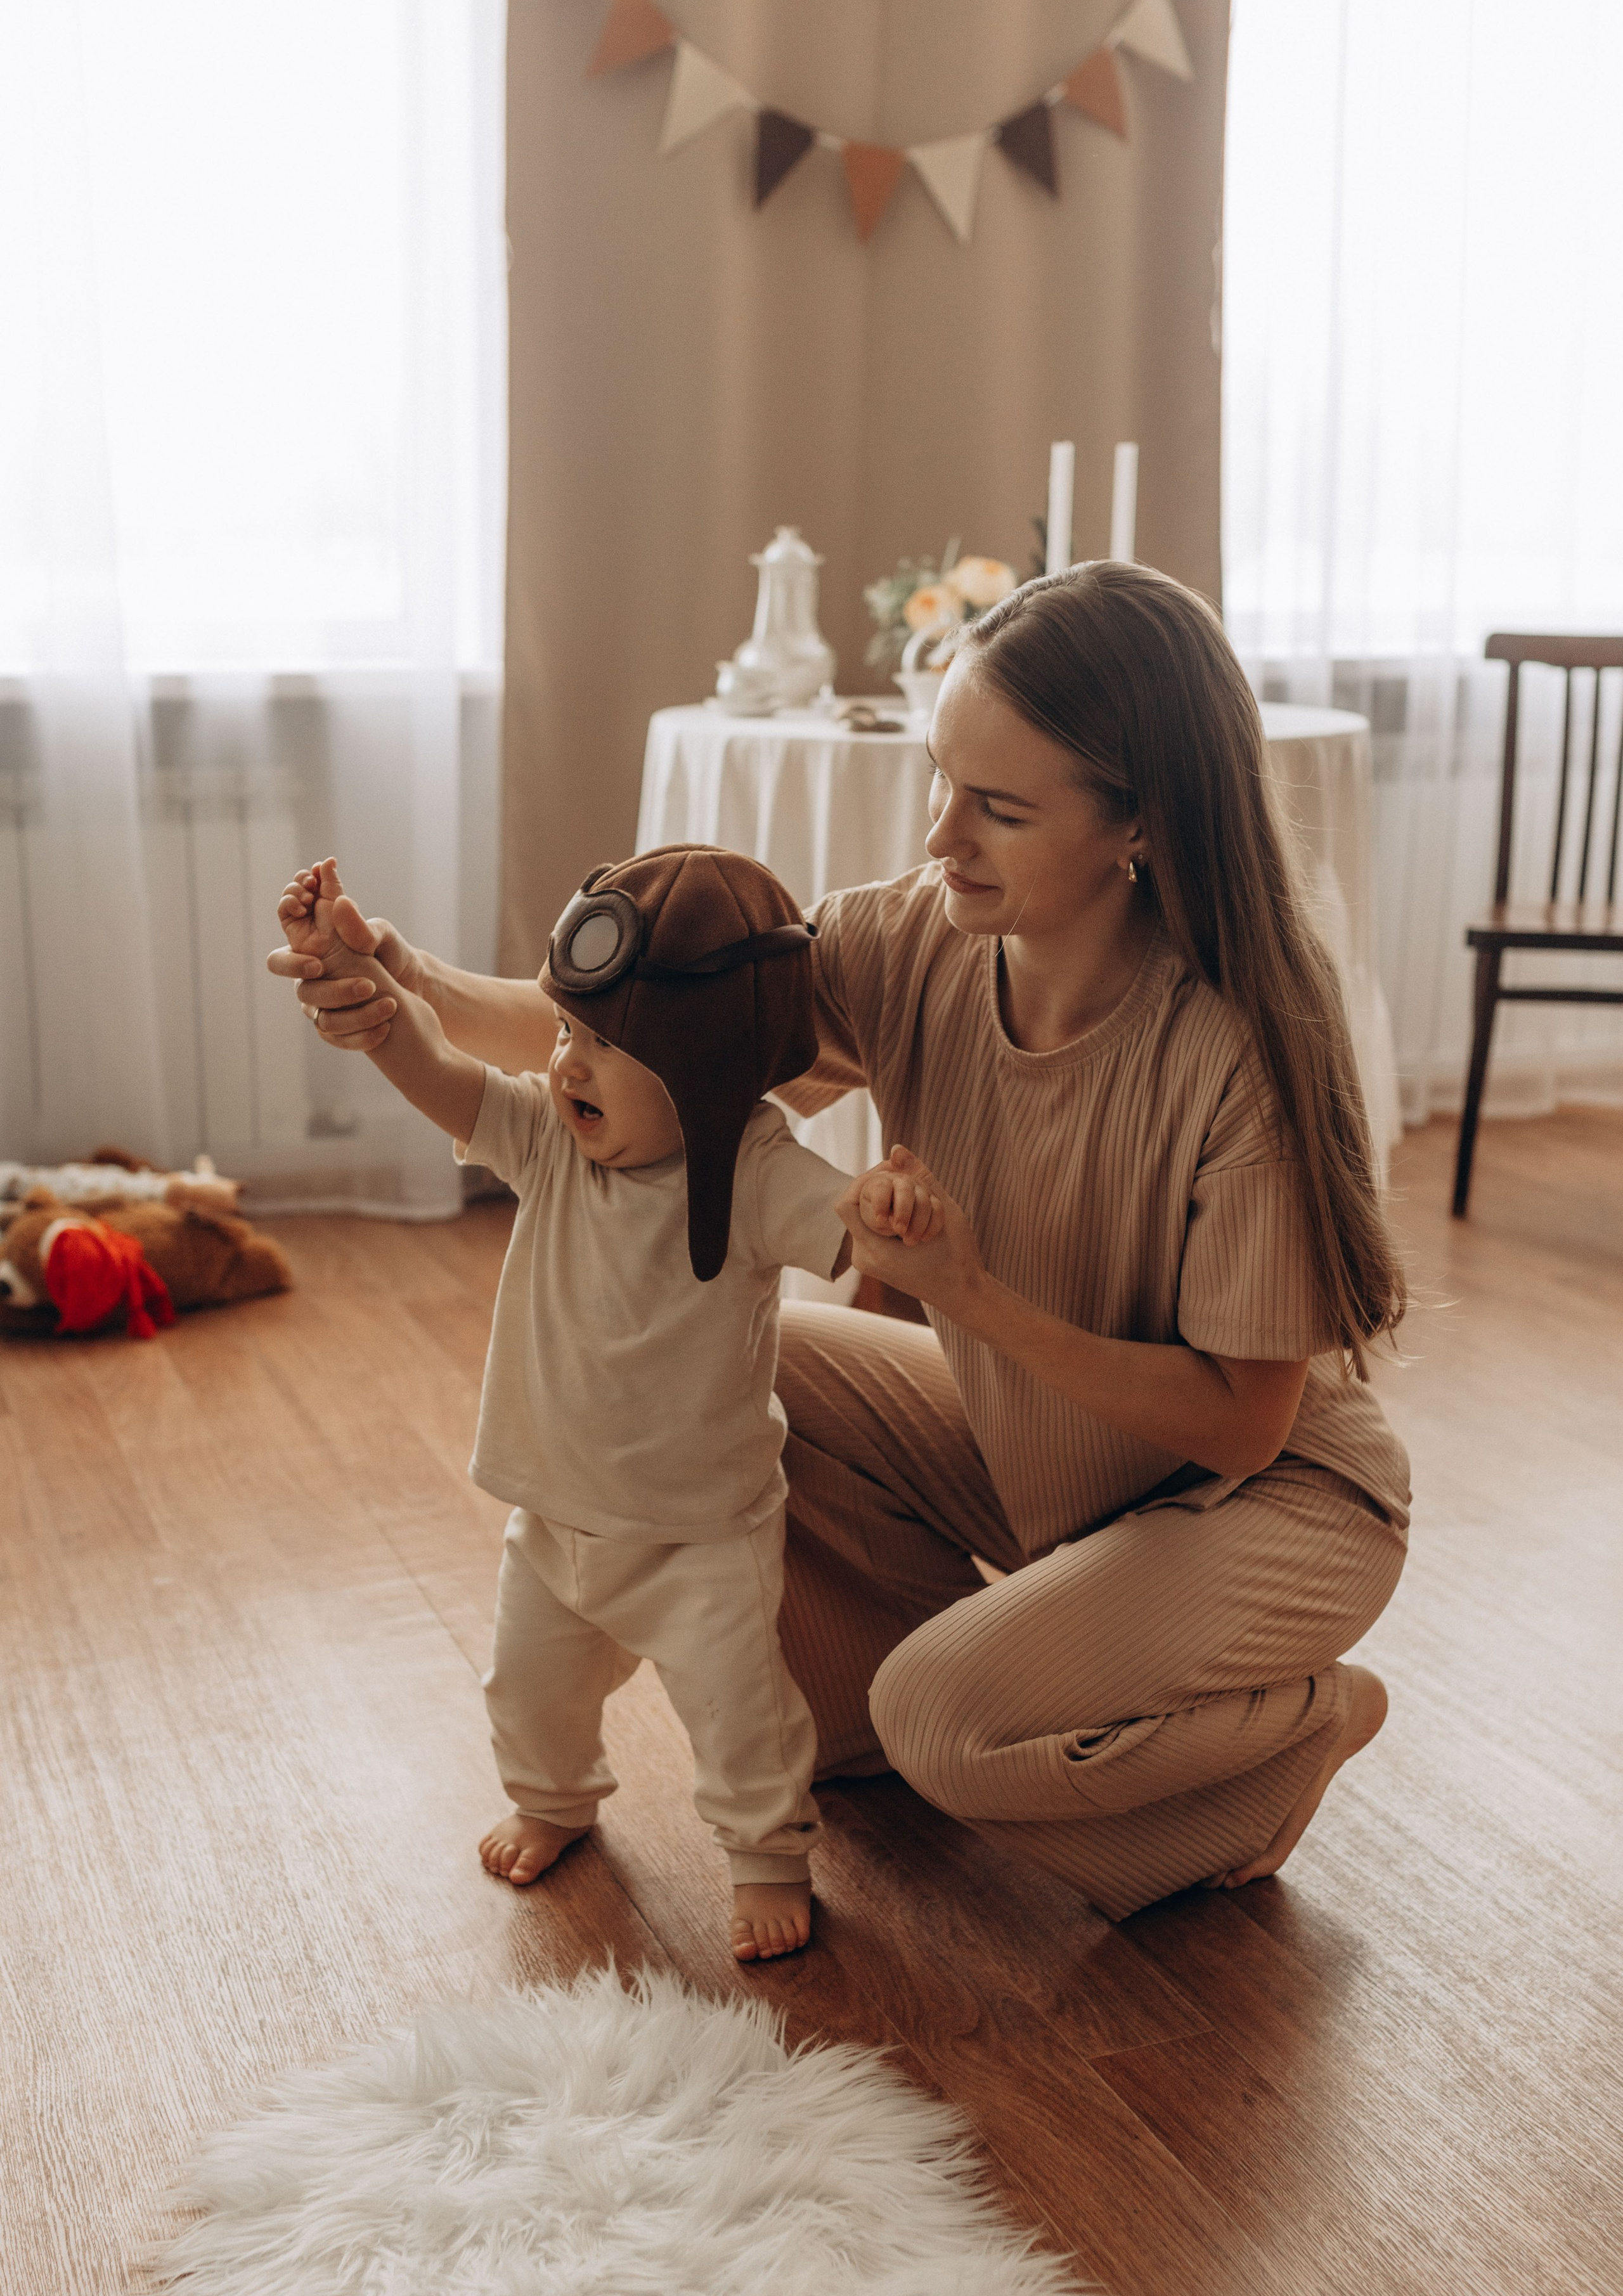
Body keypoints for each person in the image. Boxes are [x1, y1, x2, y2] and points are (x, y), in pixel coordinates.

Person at [271, 562, 1411, 1923]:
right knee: (774, 1388)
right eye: (944, 784)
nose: (944, 839)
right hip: (1044, 1463)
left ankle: (1297, 1720)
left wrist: (969, 1298)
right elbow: (654, 1039)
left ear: (1140, 827)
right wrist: (400, 978)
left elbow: (1235, 1423)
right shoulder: (920, 938)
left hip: (1264, 1500)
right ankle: (1010, 1685)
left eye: (997, 809)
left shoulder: (1240, 1048)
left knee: (948, 1736)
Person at [273, 844, 935, 1960]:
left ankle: (767, 1854)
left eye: (609, 1046)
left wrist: (889, 1203)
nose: (570, 1064)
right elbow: (438, 1071)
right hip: (555, 1517)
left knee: (743, 1717)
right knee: (528, 1688)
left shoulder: (758, 1168)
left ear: (710, 1067)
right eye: (570, 1031)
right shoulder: (551, 1138)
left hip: (701, 1534)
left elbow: (857, 1223)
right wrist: (378, 1000)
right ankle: (555, 1799)